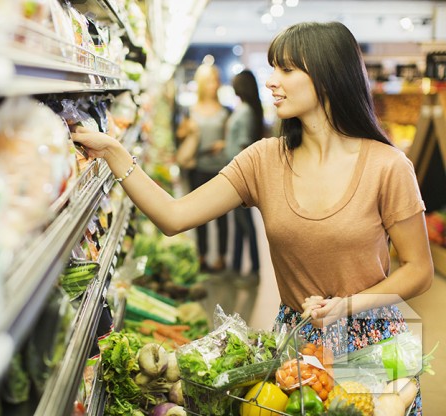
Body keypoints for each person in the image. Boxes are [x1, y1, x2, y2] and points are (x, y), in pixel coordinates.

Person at [73, 21, 433, 414]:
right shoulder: (263, 160)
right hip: (299, 346)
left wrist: (347, 306)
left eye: (287, 70)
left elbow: (418, 269)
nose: (272, 81)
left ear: (328, 76)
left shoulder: (388, 166)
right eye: (272, 69)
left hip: (372, 345)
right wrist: (113, 152)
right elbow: (173, 217)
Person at [175, 63, 231, 272]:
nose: (212, 85)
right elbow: (179, 135)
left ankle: (222, 257)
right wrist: (187, 130)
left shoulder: (225, 112)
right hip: (198, 167)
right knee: (199, 216)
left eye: (215, 80)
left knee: (223, 217)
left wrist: (224, 144)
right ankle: (202, 255)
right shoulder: (191, 110)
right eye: (208, 81)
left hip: (222, 170)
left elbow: (230, 138)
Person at [225, 70, 264, 284]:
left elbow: (243, 143)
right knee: (240, 225)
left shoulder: (246, 111)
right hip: (236, 174)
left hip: (240, 177)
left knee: (246, 224)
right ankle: (236, 267)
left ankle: (255, 270)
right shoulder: (245, 109)